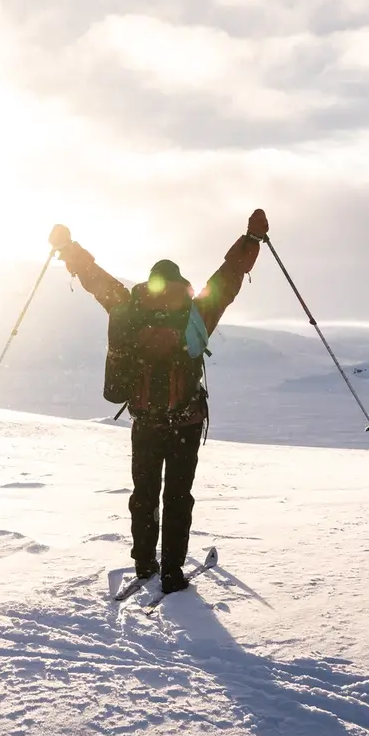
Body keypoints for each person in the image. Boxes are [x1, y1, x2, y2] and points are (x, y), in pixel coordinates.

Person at [50, 210, 269, 594]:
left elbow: (93, 277)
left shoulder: (128, 307)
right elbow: (229, 277)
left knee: (145, 493)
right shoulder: (195, 311)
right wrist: (251, 240)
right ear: (180, 283)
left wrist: (68, 248)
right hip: (185, 421)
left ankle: (143, 562)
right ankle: (171, 572)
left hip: (146, 421)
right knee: (178, 497)